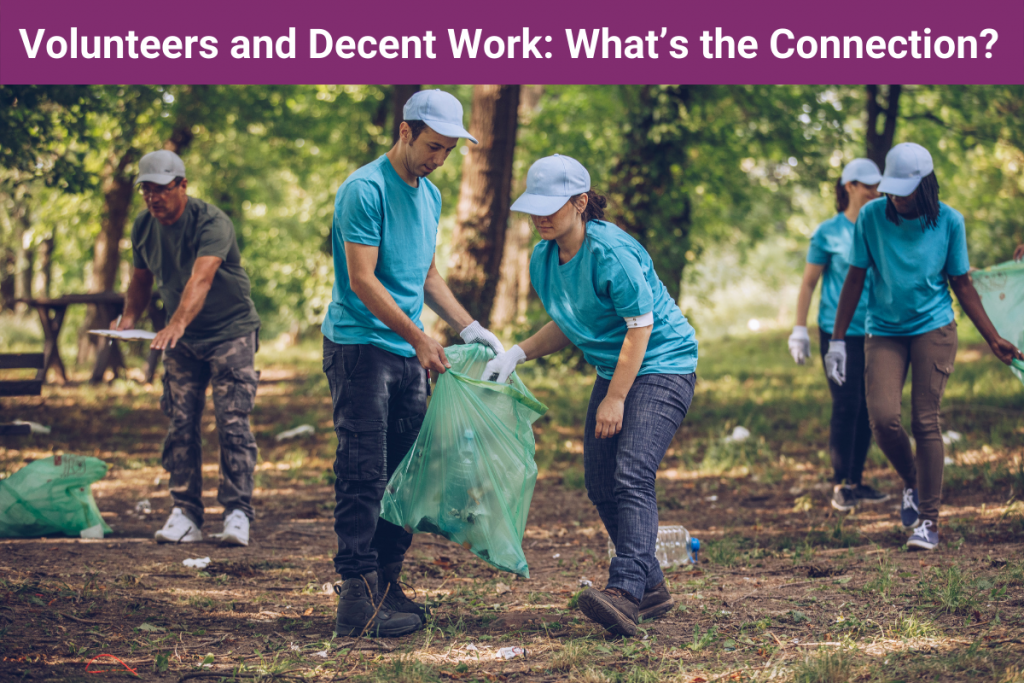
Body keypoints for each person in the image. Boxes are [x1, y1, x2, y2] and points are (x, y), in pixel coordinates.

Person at [482, 155, 698, 637]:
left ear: (580, 203)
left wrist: (616, 397)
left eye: (550, 206)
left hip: (663, 362)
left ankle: (624, 593)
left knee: (633, 473)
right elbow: (569, 321)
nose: (540, 215)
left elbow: (640, 328)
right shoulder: (544, 257)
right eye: (533, 206)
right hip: (617, 366)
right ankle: (653, 587)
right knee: (600, 482)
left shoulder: (611, 251)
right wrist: (516, 353)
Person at [324, 89, 505, 637]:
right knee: (363, 471)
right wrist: (421, 338)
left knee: (407, 476)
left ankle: (386, 582)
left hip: (407, 350)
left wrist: (470, 327)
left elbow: (425, 277)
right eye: (432, 146)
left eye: (448, 150)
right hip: (361, 347)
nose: (438, 159)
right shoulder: (365, 189)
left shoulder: (429, 195)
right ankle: (355, 598)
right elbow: (362, 280)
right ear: (405, 132)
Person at [826, 142, 1024, 551]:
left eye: (904, 190)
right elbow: (854, 279)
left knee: (925, 421)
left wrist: (993, 339)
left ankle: (928, 522)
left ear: (925, 186)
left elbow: (962, 284)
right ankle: (913, 482)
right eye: (891, 190)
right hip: (883, 329)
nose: (896, 198)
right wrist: (838, 340)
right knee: (883, 419)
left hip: (933, 327)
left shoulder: (950, 221)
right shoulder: (871, 217)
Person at [117, 150, 262, 547]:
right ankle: (185, 513)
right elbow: (141, 278)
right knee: (181, 422)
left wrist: (175, 323)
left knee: (232, 422)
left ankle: (237, 513)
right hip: (181, 340)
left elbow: (201, 278)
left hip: (229, 332)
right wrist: (129, 317)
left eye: (162, 189)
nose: (154, 198)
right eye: (147, 190)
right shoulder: (143, 226)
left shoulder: (211, 221)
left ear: (182, 185)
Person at [788, 159, 888, 513]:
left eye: (879, 185)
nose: (877, 190)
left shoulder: (880, 225)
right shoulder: (828, 233)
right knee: (846, 405)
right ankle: (839, 484)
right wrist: (799, 329)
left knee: (869, 408)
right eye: (869, 185)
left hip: (877, 330)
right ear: (849, 186)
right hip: (838, 332)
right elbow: (808, 283)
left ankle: (857, 481)